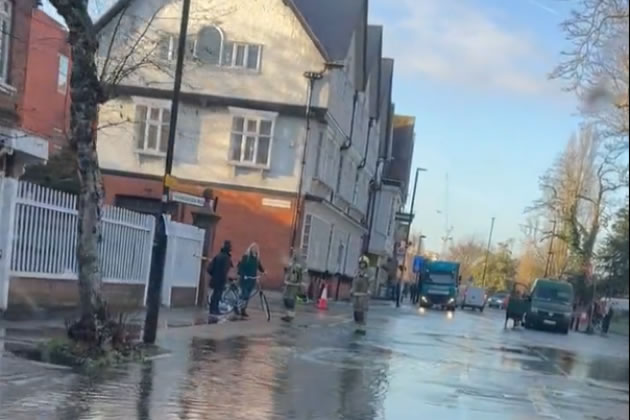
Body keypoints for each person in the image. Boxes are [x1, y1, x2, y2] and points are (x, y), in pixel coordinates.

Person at [237, 243, 265, 318]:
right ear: (250, 249)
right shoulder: (246, 257)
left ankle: (243, 310)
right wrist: (241, 274)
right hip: (245, 278)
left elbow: (259, 266)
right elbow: (241, 266)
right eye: (253, 248)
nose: (254, 250)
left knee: (248, 295)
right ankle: (239, 307)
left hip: (252, 279)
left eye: (256, 249)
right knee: (244, 294)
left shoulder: (256, 258)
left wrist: (263, 271)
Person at [207, 240, 233, 318]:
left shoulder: (218, 256)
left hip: (215, 278)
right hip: (221, 279)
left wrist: (214, 274)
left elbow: (209, 268)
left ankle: (212, 309)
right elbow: (225, 270)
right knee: (217, 295)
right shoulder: (226, 258)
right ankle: (215, 310)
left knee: (215, 294)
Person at [352, 255, 373, 334]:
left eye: (363, 263)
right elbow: (354, 281)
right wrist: (352, 289)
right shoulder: (357, 271)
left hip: (364, 294)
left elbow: (371, 282)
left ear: (366, 264)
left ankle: (362, 327)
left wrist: (369, 290)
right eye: (361, 263)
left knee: (362, 311)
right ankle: (357, 326)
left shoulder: (369, 272)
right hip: (356, 294)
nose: (362, 265)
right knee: (356, 311)